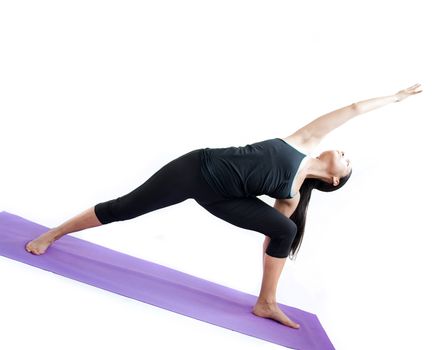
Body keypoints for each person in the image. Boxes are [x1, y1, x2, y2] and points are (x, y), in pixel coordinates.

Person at [25, 83, 422, 329]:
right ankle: (55, 232)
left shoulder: (292, 196)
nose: (344, 152)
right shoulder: (304, 140)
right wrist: (395, 98)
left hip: (222, 198)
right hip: (196, 169)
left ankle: (266, 302)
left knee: (286, 229)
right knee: (126, 207)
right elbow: (352, 110)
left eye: (348, 162)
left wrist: (278, 235)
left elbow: (271, 237)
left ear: (334, 179)